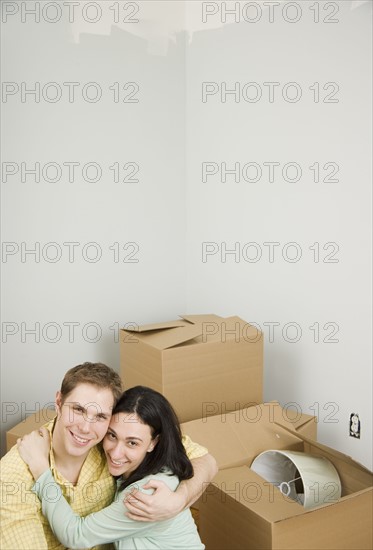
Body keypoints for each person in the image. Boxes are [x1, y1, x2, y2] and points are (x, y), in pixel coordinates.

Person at [0, 362, 217, 549]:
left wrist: (179, 500)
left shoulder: (145, 490)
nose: (86, 427)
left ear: (154, 443)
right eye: (78, 409)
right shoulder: (14, 476)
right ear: (58, 402)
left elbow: (207, 461)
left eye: (101, 416)